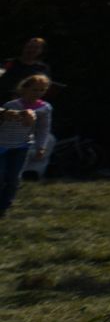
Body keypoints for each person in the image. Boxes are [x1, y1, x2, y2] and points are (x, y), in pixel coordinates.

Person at [0, 74, 54, 217]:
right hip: (2, 145)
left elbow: (43, 129)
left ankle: (4, 206)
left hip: (21, 146)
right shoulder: (11, 106)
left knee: (14, 178)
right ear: (24, 89)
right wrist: (10, 116)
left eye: (41, 90)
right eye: (34, 90)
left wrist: (41, 147)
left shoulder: (45, 109)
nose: (37, 93)